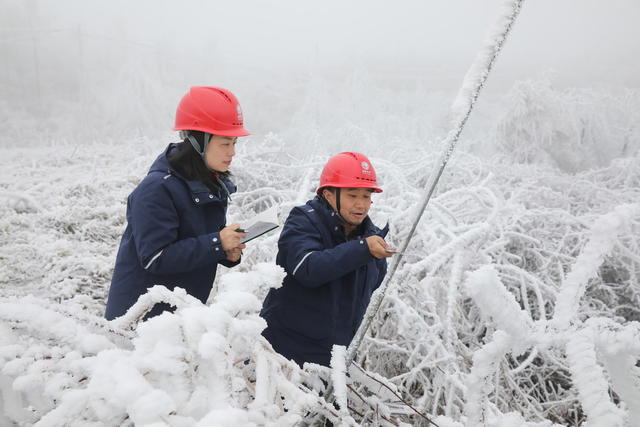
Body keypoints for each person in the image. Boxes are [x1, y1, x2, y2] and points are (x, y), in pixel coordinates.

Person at [105, 86, 249, 320]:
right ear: (197, 141)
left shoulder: (209, 183)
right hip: (140, 325)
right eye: (225, 143)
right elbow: (155, 257)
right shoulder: (157, 189)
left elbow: (192, 240)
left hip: (180, 318)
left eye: (234, 143)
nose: (232, 152)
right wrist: (216, 242)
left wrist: (225, 252)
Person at [260, 152, 393, 367]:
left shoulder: (370, 236)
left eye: (367, 196)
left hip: (332, 362)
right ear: (329, 195)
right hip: (282, 359)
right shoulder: (303, 221)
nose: (362, 204)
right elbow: (308, 268)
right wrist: (362, 249)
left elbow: (372, 284)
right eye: (353, 195)